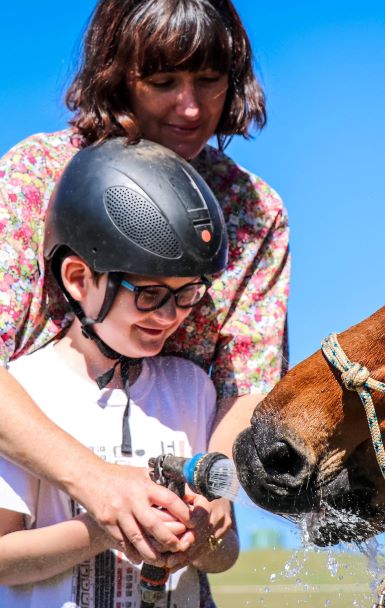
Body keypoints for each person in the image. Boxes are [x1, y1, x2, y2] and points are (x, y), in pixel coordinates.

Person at [0, 0, 288, 566]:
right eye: (163, 81)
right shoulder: (33, 178)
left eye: (210, 80)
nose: (191, 107)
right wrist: (100, 486)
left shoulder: (254, 212)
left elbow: (245, 384)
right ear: (116, 77)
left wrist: (214, 490)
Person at [0, 138, 239, 606]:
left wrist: (205, 533)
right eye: (149, 293)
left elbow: (226, 553)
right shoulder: (26, 393)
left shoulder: (192, 390)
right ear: (78, 278)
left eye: (188, 293)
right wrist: (103, 529)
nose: (170, 315)